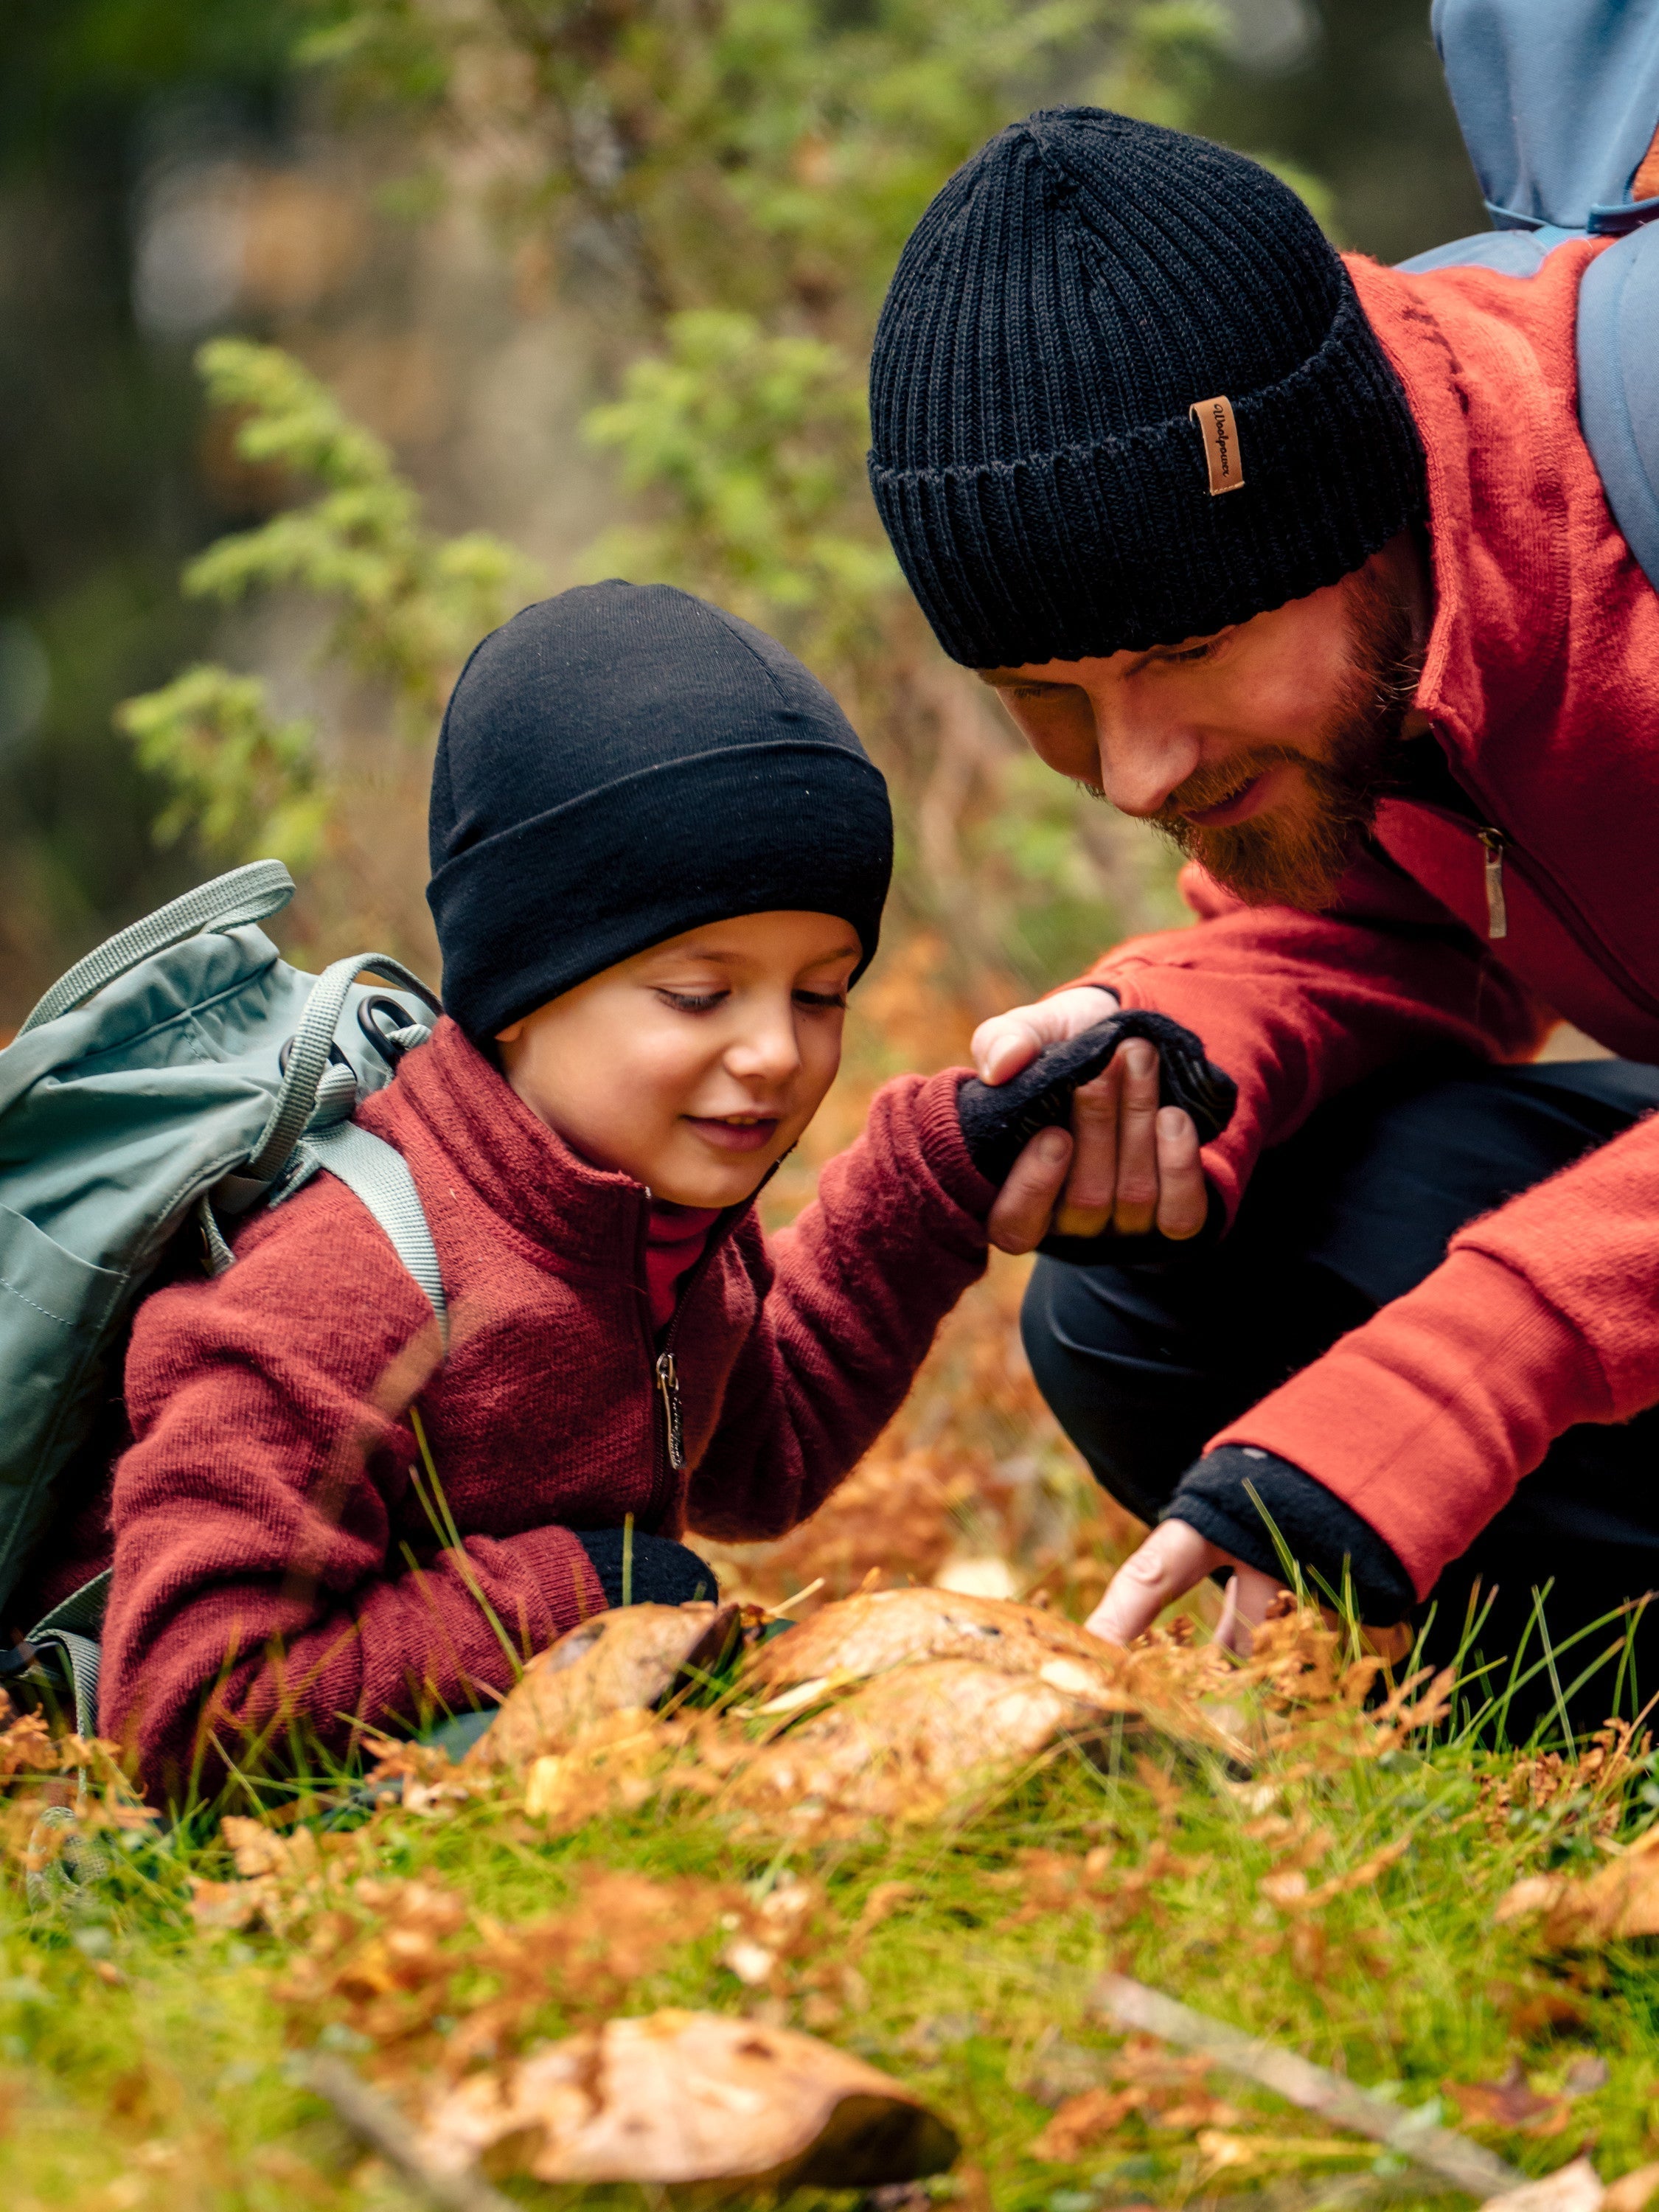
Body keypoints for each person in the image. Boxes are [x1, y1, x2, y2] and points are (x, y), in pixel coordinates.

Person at [867, 108, 1659, 1722]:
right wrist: (1175, 1043)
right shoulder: (1393, 618)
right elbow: (1372, 935)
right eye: (1048, 696)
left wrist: (1450, 1383)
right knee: (1152, 1291)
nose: (1137, 768)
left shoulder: (1622, 501)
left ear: (1350, 509)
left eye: (1185, 654)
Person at [63, 582, 1069, 1801]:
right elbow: (188, 1703)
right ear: (525, 991)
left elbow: (763, 1450)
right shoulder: (348, 1283)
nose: (776, 1053)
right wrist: (574, 1595)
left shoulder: (644, 1218)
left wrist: (941, 1170)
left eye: (820, 991)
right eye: (701, 994)